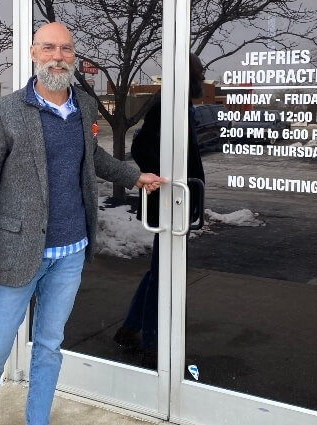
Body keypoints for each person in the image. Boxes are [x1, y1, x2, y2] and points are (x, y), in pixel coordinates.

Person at [0, 22, 166, 425]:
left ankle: (37, 420)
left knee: (50, 346)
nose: (58, 56)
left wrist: (134, 177)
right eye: (49, 48)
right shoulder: (4, 112)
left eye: (66, 49)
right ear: (34, 54)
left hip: (69, 253)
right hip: (13, 257)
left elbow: (92, 158)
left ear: (74, 56)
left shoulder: (84, 107)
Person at [114, 53, 205, 368]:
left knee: (160, 269)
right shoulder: (166, 103)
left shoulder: (177, 102)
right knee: (164, 273)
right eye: (200, 72)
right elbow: (140, 147)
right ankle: (153, 342)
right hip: (168, 202)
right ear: (188, 73)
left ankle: (130, 329)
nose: (203, 77)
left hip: (178, 200)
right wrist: (163, 180)